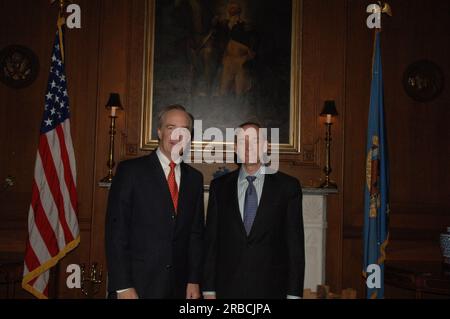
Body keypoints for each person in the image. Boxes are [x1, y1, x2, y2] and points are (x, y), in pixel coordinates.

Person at [105, 104, 204, 299]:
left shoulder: (195, 179)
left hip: (179, 287)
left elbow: (195, 234)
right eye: (170, 127)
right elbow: (116, 232)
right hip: (137, 286)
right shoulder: (130, 171)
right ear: (159, 132)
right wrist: (123, 286)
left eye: (184, 129)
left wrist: (193, 279)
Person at [203, 121, 305, 299]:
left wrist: (294, 294)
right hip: (228, 289)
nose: (248, 147)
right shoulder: (219, 187)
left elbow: (295, 246)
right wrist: (209, 289)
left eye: (255, 141)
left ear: (265, 146)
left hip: (273, 289)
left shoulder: (288, 187)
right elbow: (211, 242)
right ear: (235, 147)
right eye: (242, 141)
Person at [215, 1, 258, 96]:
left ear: (239, 10)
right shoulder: (223, 25)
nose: (231, 9)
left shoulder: (245, 25)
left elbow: (253, 43)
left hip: (240, 60)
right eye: (230, 7)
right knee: (223, 90)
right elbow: (218, 41)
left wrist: (247, 57)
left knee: (240, 91)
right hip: (227, 60)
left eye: (234, 7)